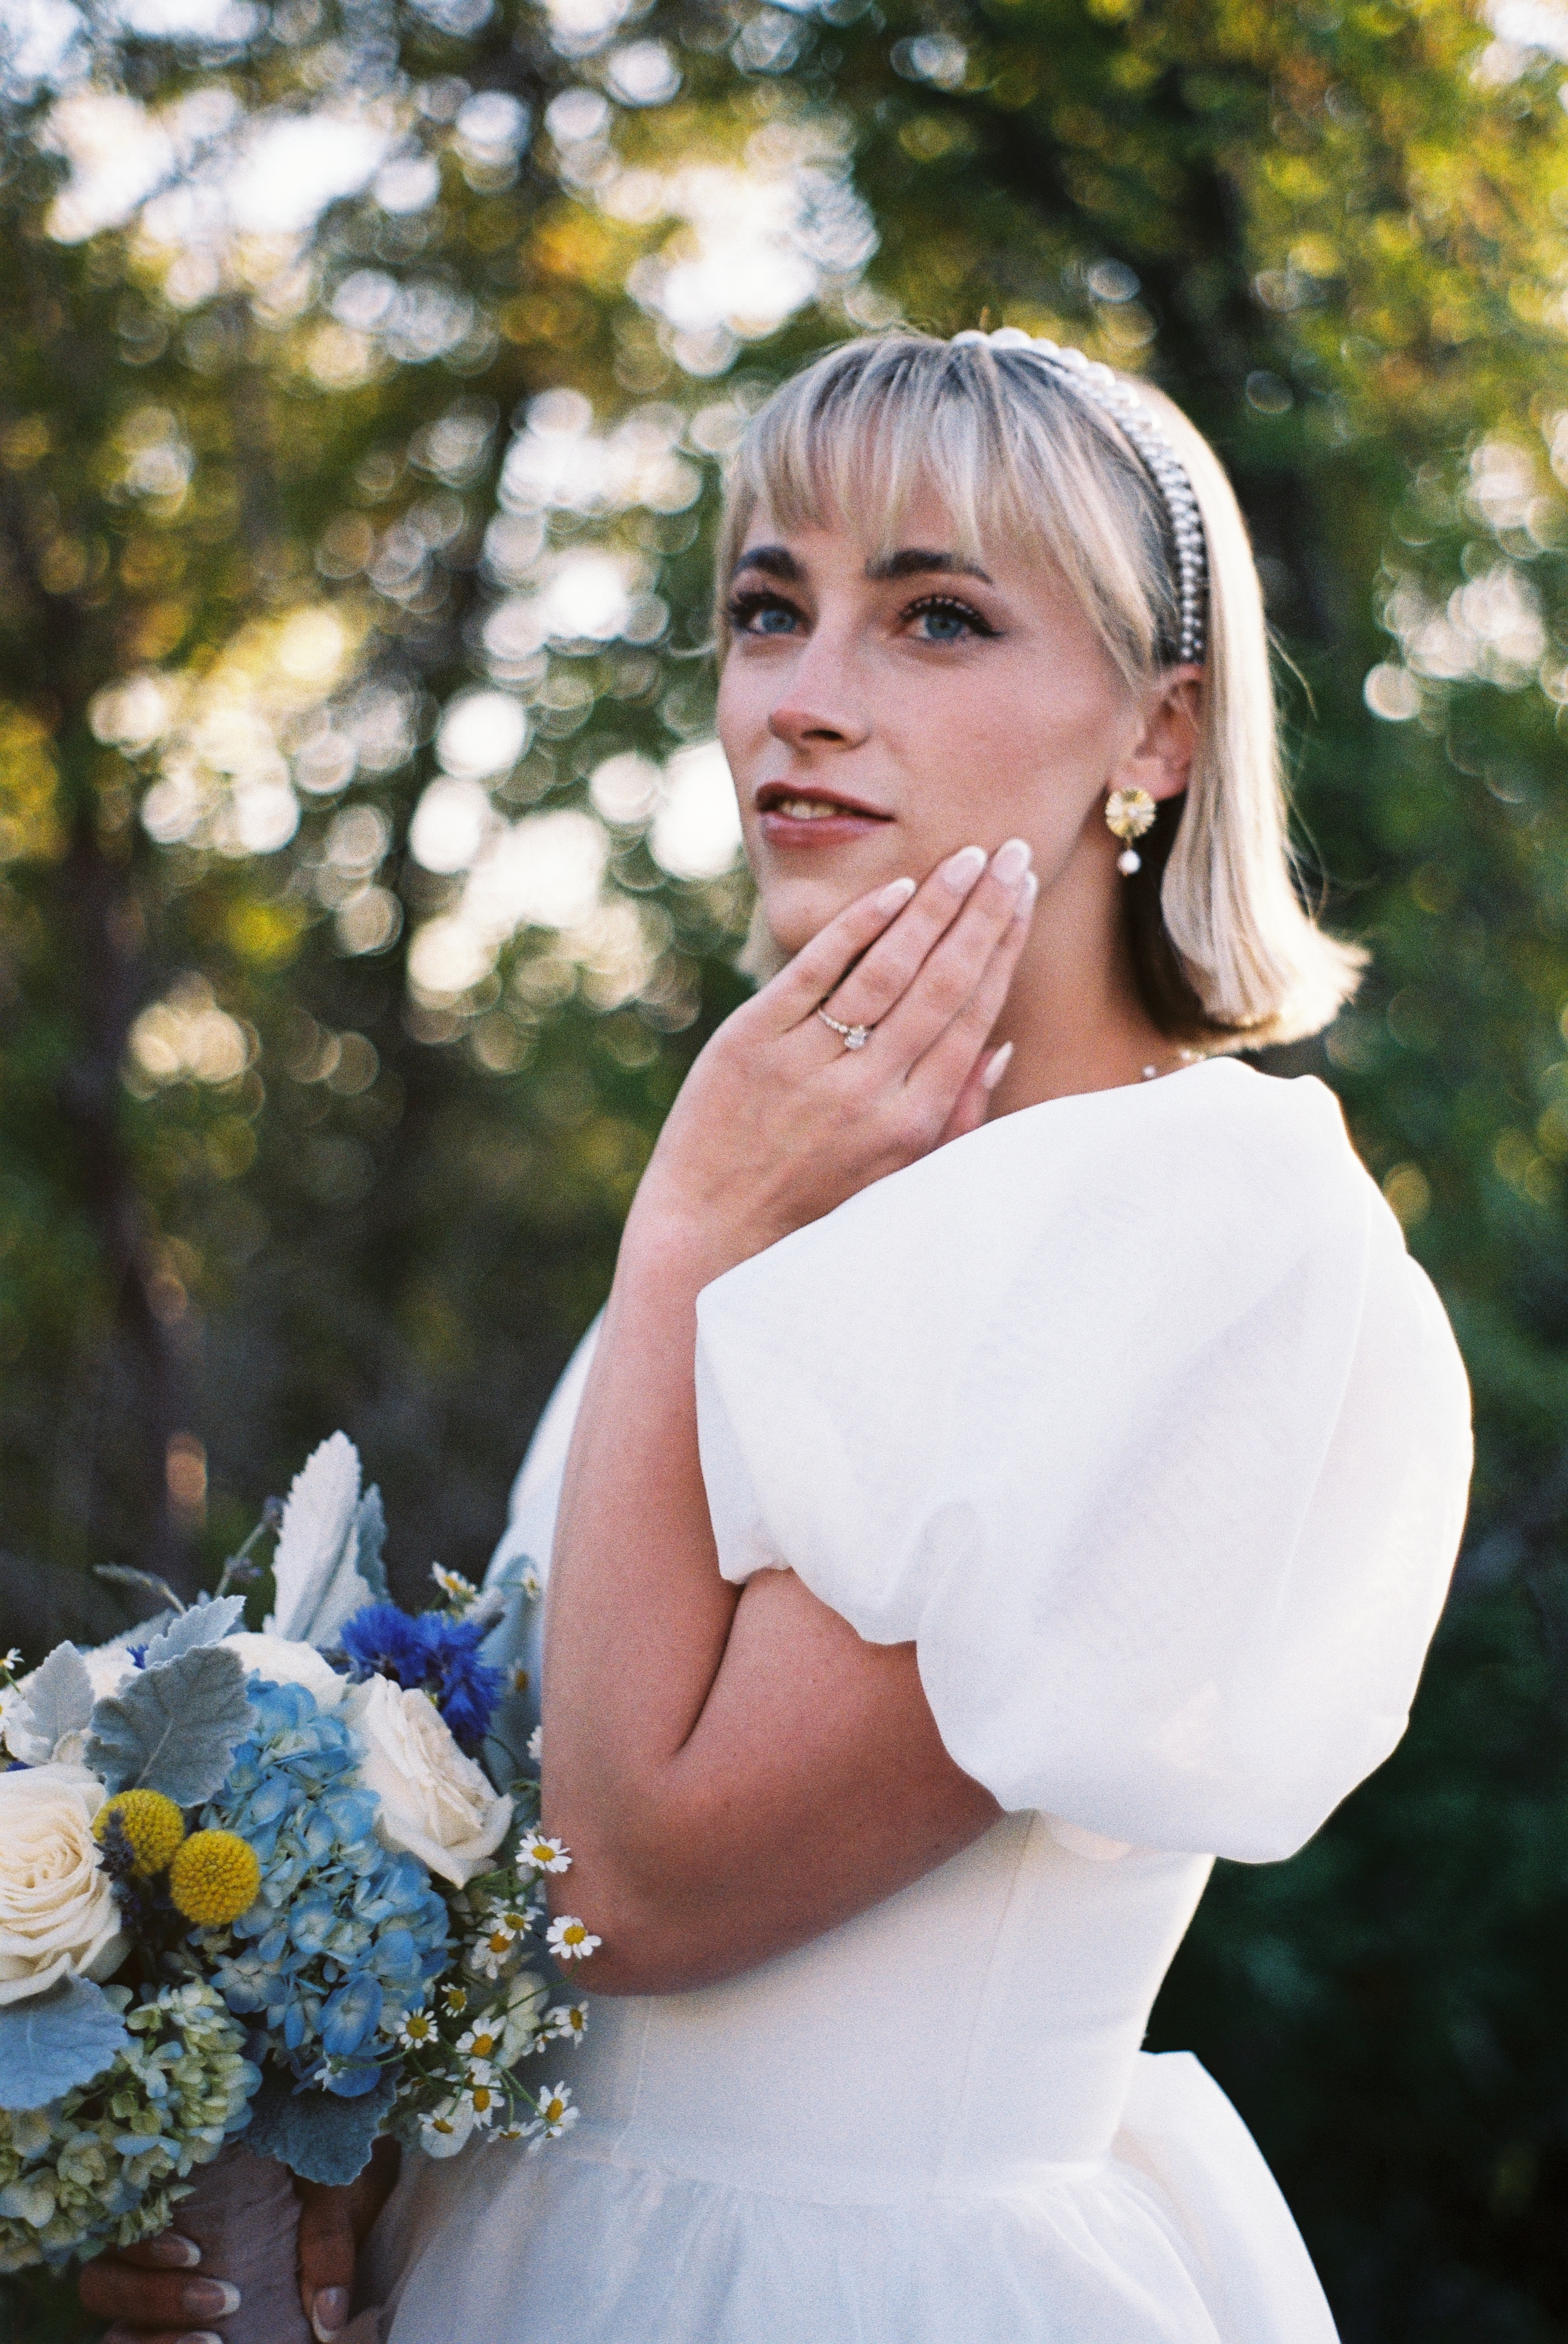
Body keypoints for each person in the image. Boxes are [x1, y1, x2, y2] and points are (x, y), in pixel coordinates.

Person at [87, 329, 1471, 2344]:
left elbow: (637, 1895)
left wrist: (688, 1242)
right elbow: (544, 1880)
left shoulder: (1214, 1219)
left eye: (933, 616)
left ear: (1159, 734)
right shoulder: (800, 1188)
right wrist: (305, 2158)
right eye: (764, 608)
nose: (801, 703)